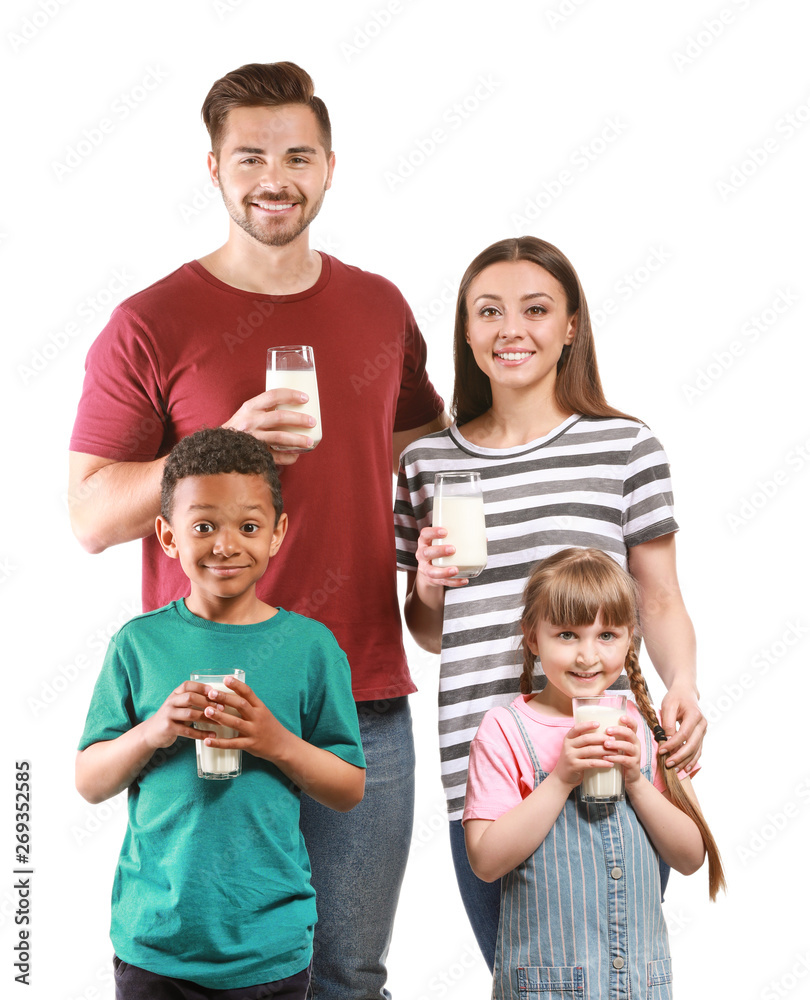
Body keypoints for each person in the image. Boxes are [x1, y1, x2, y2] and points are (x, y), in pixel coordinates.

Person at [68, 62, 446, 997]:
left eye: (296, 155)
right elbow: (88, 514)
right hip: (207, 707)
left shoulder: (381, 307)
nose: (274, 176)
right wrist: (216, 440)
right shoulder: (148, 322)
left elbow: (419, 449)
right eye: (250, 157)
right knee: (207, 972)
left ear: (329, 167)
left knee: (348, 974)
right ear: (213, 169)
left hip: (361, 691)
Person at [393, 236, 706, 968]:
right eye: (489, 312)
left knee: (615, 971)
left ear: (570, 326)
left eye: (536, 310)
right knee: (524, 975)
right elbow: (430, 634)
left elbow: (658, 600)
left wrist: (683, 683)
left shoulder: (624, 447)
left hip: (608, 743)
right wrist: (430, 586)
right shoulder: (427, 463)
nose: (512, 330)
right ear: (466, 333)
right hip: (488, 759)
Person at [75, 427, 367, 999]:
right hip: (156, 943)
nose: (226, 545)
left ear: (278, 533)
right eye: (203, 526)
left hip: (269, 946)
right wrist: (155, 730)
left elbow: (348, 787)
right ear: (167, 536)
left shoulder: (311, 648)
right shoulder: (138, 645)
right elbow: (89, 781)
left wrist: (274, 741)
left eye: (249, 526)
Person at [463, 547, 725, 999]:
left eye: (607, 635)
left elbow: (690, 856)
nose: (588, 655)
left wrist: (637, 781)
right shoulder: (505, 729)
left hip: (639, 987)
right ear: (532, 638)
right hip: (547, 989)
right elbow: (485, 862)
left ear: (630, 640)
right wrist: (561, 778)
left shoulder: (643, 724)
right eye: (567, 634)